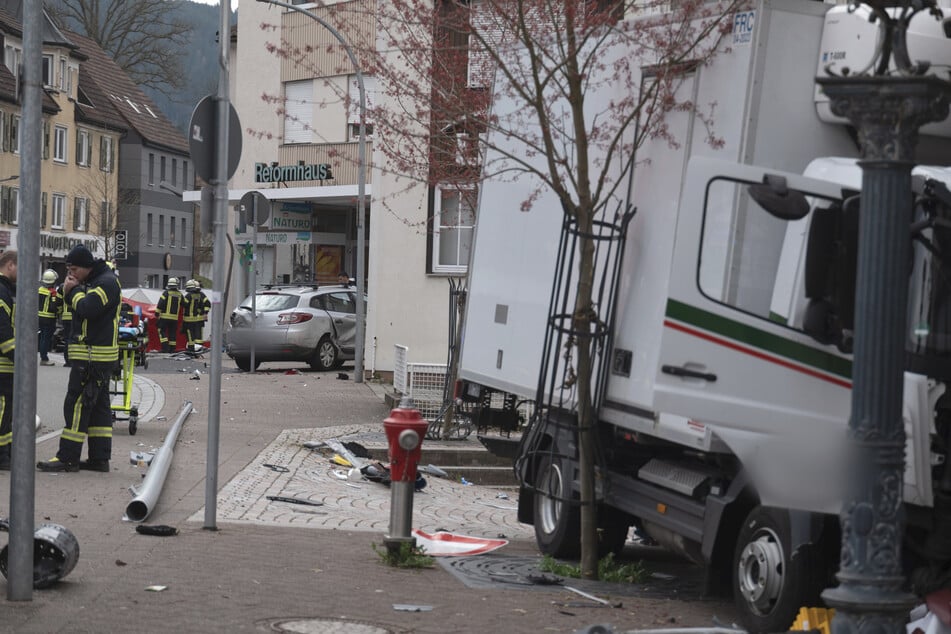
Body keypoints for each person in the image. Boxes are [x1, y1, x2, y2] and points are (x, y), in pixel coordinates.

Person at [37, 245, 120, 473]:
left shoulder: (106, 283)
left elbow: (88, 309)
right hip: (95, 357)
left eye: (74, 269)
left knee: (76, 405)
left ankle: (68, 457)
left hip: (92, 358)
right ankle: (99, 458)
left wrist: (71, 292)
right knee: (99, 409)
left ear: (86, 266)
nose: (71, 274)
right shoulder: (95, 281)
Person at [0, 251, 16, 471]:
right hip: (4, 364)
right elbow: (3, 330)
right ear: (10, 265)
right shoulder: (2, 292)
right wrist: (18, 357)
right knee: (3, 411)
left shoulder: (6, 290)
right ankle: (2, 457)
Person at [38, 268, 61, 366]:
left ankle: (43, 356)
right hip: (49, 318)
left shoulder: (40, 289)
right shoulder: (52, 292)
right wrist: (59, 310)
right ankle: (44, 358)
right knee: (46, 339)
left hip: (40, 317)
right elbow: (54, 307)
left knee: (43, 337)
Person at [181, 279, 210, 351]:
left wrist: (181, 299)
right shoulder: (201, 295)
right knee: (198, 337)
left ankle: (191, 350)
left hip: (189, 320)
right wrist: (205, 312)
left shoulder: (188, 296)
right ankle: (198, 350)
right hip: (199, 320)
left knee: (190, 336)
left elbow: (184, 304)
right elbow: (208, 304)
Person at [156, 277, 183, 353]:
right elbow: (185, 304)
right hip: (174, 319)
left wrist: (157, 313)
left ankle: (165, 348)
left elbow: (160, 303)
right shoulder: (179, 294)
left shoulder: (166, 293)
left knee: (161, 331)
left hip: (164, 317)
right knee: (172, 333)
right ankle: (172, 349)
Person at [58, 279, 73, 367]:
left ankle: (67, 361)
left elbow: (58, 303)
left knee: (67, 339)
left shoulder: (62, 287)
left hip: (65, 317)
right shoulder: (79, 286)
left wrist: (60, 312)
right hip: (75, 317)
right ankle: (72, 361)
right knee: (74, 340)